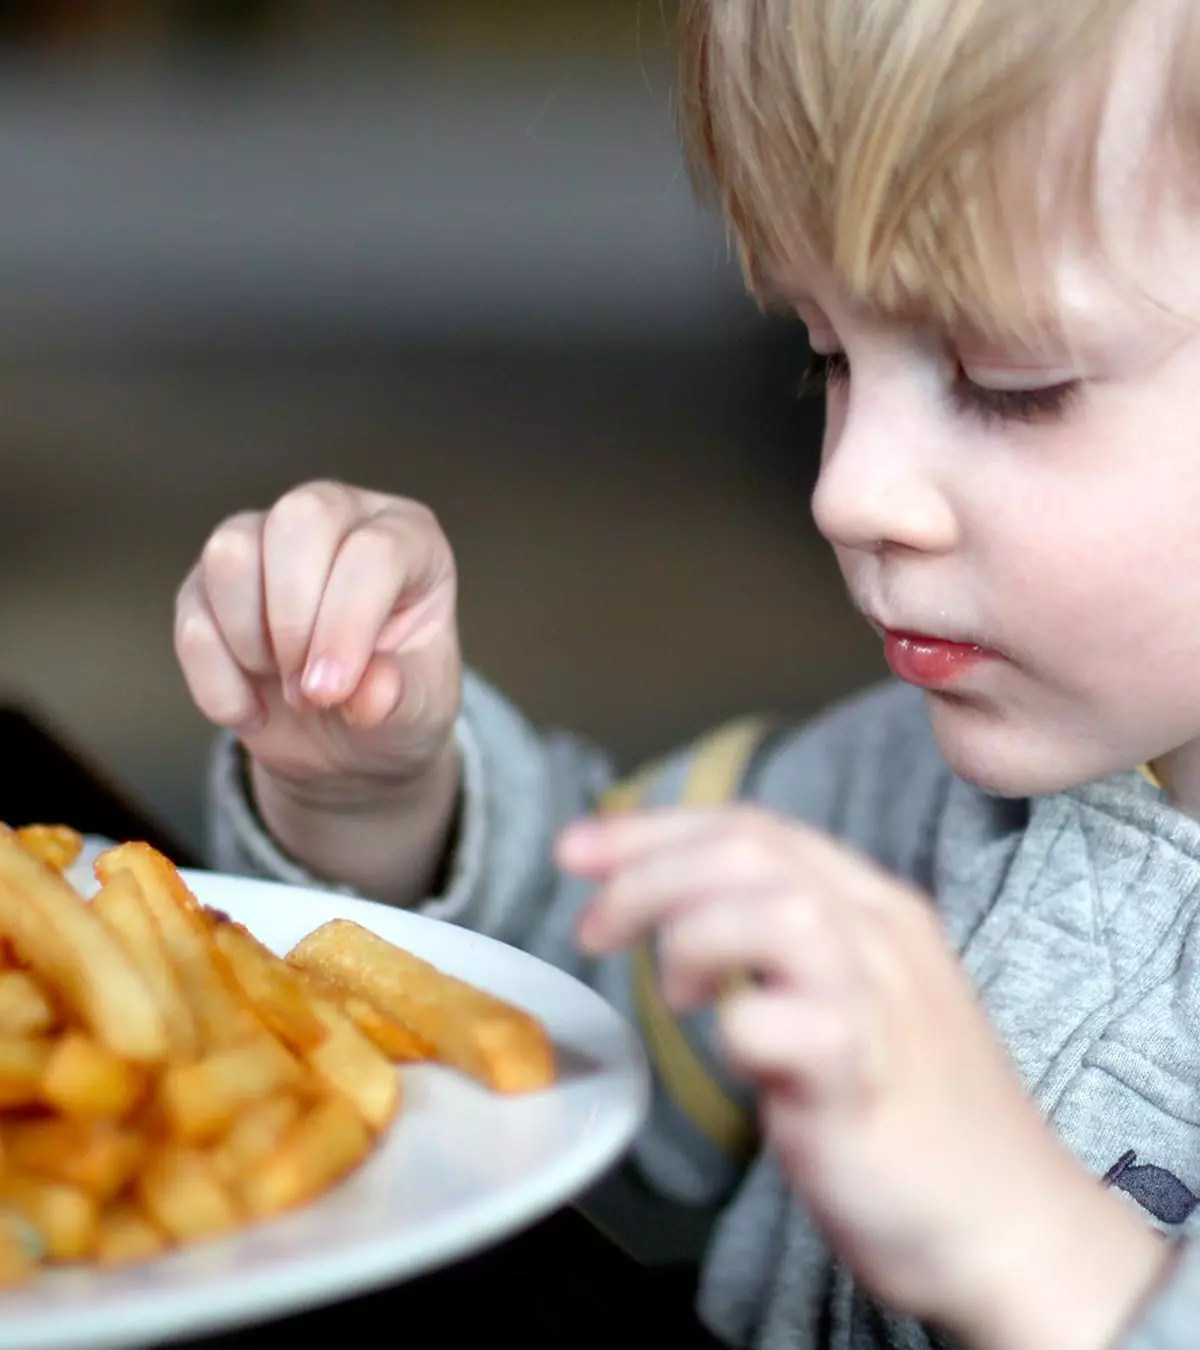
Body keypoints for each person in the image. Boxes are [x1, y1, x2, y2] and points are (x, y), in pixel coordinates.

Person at [174, 0, 1200, 1344]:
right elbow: (554, 1000)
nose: (852, 487)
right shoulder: (882, 796)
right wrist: (377, 793)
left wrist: (1050, 1258)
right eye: (828, 354)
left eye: (1009, 377)